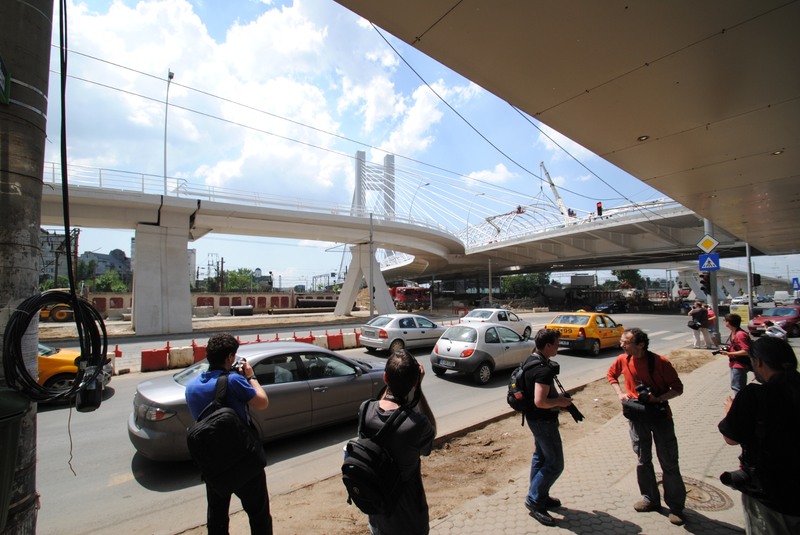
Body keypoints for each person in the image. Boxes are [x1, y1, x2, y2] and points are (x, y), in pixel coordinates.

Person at [185, 333, 272, 534]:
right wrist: (251, 376)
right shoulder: (234, 381)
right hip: (243, 461)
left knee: (217, 518)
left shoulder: (191, 387)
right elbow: (263, 402)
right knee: (259, 515)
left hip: (213, 464)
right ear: (230, 357)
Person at [718, 336, 800, 534]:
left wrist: (730, 411)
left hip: (770, 495)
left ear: (760, 362)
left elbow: (731, 438)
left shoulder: (755, 395)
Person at [607, 328, 687, 526]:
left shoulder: (661, 363)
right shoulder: (623, 359)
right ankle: (650, 498)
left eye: (626, 342)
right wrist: (620, 394)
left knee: (669, 462)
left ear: (640, 345)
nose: (621, 345)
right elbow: (611, 376)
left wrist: (658, 398)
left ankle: (676, 507)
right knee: (643, 459)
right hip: (637, 417)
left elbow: (678, 388)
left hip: (660, 417)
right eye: (621, 341)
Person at [361, 349, 436, 535]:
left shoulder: (366, 410)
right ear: (414, 382)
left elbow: (382, 406)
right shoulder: (416, 424)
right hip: (409, 521)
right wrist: (418, 388)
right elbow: (430, 439)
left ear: (385, 377)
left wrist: (393, 382)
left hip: (378, 517)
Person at [522, 328, 575, 527]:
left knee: (540, 457)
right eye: (557, 344)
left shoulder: (531, 359)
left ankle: (540, 494)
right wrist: (560, 401)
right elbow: (540, 401)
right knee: (555, 464)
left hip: (533, 419)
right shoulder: (543, 370)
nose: (558, 347)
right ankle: (534, 500)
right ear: (548, 346)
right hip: (543, 421)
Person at [720, 313, 752, 395]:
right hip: (734, 363)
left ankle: (740, 402)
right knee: (735, 386)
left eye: (725, 320)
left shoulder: (740, 334)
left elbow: (746, 351)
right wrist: (728, 349)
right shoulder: (734, 332)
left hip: (740, 364)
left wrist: (729, 353)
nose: (724, 322)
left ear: (728, 322)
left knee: (738, 387)